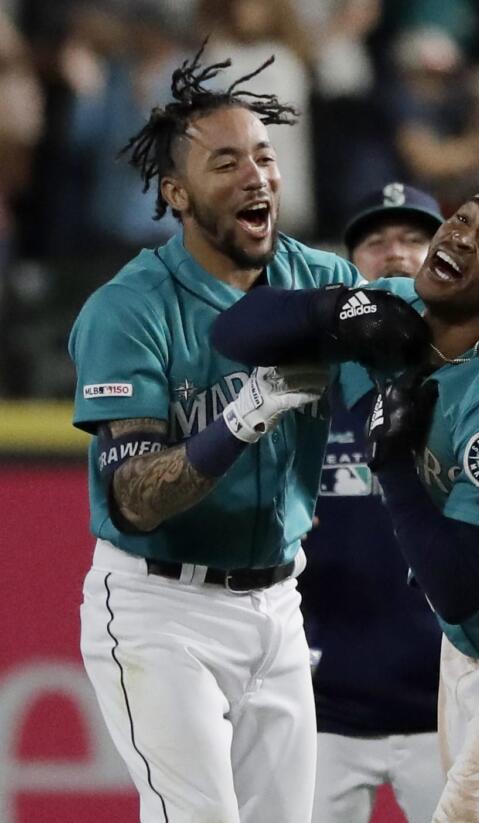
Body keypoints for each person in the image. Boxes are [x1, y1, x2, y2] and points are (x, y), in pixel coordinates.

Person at [210, 182, 479, 823]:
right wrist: (332, 309)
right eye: (465, 217)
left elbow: (459, 585)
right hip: (477, 639)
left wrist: (393, 467)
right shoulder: (402, 307)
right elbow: (235, 332)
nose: (464, 235)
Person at [68, 47, 428, 823]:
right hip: (159, 607)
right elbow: (133, 499)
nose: (255, 176)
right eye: (225, 162)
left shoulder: (314, 279)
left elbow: (409, 314)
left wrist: (400, 316)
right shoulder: (130, 308)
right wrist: (239, 419)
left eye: (264, 156)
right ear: (175, 192)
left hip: (276, 604)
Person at [300, 182, 446, 823]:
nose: (396, 254)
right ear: (346, 264)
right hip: (323, 710)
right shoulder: (305, 388)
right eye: (377, 241)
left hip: (451, 706)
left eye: (416, 239)